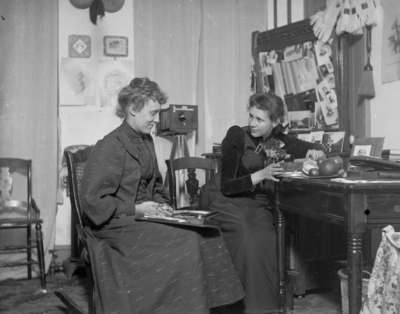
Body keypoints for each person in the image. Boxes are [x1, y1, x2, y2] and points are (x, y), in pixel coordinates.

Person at [81, 77, 244, 314]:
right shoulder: (110, 147)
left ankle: (209, 306)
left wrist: (167, 208)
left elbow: (155, 185)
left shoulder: (145, 140)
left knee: (209, 232)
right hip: (113, 225)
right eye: (153, 113)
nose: (157, 120)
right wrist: (137, 209)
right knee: (187, 242)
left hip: (140, 217)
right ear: (133, 109)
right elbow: (94, 203)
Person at [199, 92, 325, 314]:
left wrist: (317, 151)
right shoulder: (236, 136)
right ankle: (240, 307)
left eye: (260, 119)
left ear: (275, 122)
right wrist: (262, 174)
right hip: (225, 199)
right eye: (251, 117)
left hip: (257, 203)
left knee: (266, 238)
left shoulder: (281, 140)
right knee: (246, 235)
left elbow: (311, 148)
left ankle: (264, 308)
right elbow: (227, 186)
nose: (253, 124)